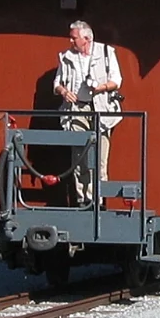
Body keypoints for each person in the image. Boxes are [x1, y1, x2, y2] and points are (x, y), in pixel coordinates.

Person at [52, 20, 123, 205]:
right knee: (79, 156)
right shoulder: (66, 57)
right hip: (77, 110)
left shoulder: (106, 53)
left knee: (100, 158)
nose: (70, 41)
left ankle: (98, 201)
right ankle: (83, 199)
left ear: (87, 38)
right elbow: (56, 84)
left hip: (101, 108)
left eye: (74, 37)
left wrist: (101, 87)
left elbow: (117, 80)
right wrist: (64, 92)